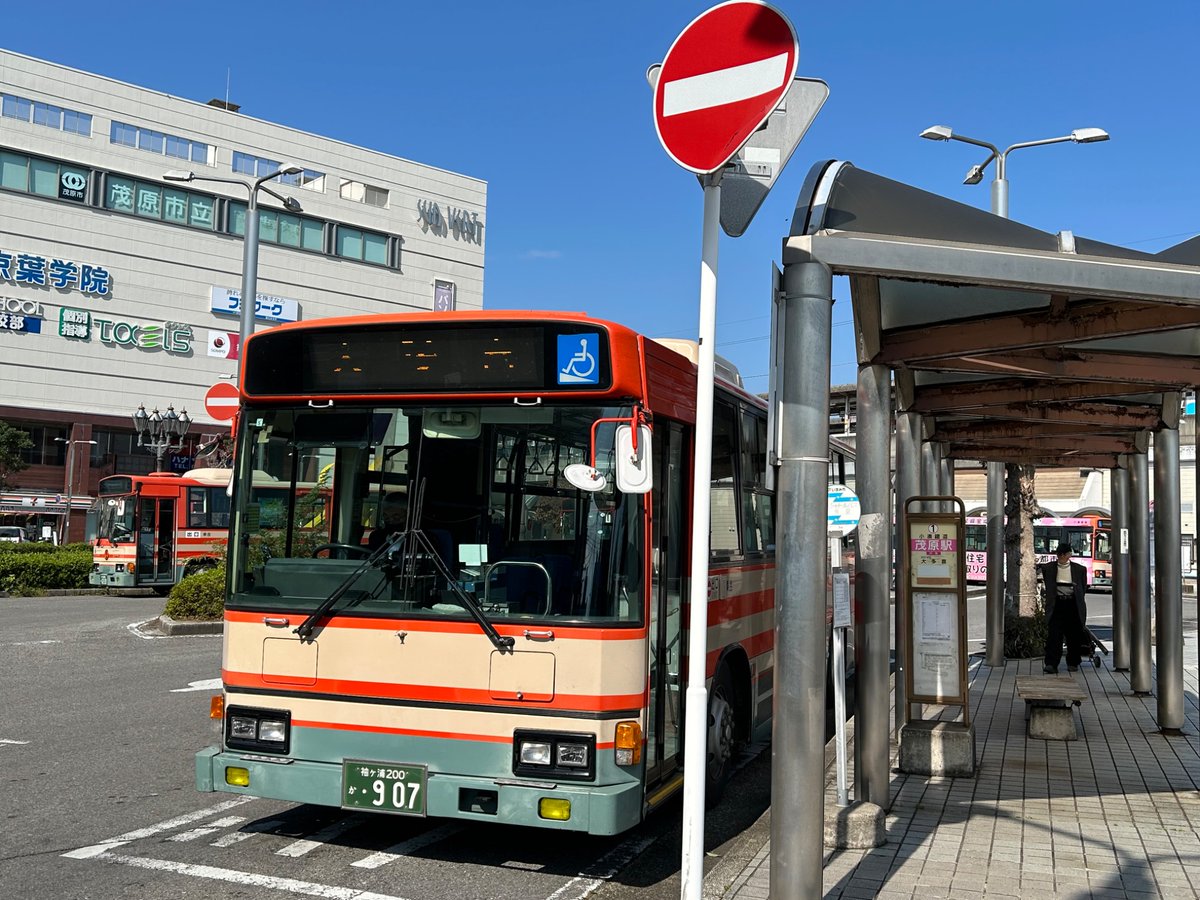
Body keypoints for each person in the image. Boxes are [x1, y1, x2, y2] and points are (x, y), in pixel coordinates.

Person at [1042, 541, 1088, 673]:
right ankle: (1051, 663)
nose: (1062, 557)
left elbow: (1082, 588)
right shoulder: (1049, 568)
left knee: (1073, 635)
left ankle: (1073, 662)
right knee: (1054, 635)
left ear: (1068, 555)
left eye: (1065, 554)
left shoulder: (1079, 569)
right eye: (1060, 555)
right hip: (1057, 605)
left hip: (1073, 604)